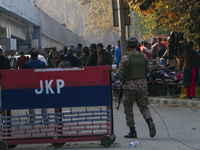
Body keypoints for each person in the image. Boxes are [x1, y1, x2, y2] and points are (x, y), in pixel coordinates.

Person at [118, 37, 156, 138]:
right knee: (144, 107)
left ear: (128, 47)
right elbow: (147, 70)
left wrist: (123, 82)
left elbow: (120, 74)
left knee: (128, 108)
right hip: (142, 85)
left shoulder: (125, 58)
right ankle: (149, 121)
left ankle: (132, 131)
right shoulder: (143, 56)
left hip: (129, 86)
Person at [23, 49, 47, 123]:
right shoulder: (42, 64)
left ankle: (32, 119)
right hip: (41, 85)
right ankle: (45, 118)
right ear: (37, 56)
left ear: (30, 56)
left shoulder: (26, 65)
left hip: (30, 86)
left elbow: (24, 76)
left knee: (31, 103)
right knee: (43, 102)